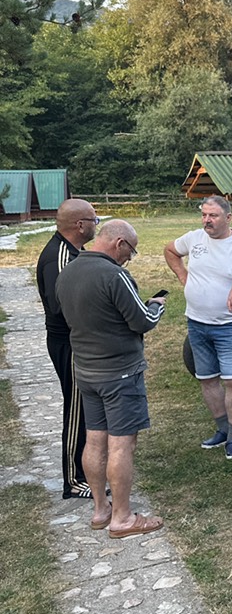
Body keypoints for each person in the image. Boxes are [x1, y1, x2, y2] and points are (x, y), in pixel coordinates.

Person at [55, 219, 166, 538]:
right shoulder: (114, 275)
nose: (130, 257)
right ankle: (123, 518)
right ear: (119, 243)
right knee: (122, 444)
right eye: (131, 251)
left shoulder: (68, 271)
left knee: (95, 439)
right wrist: (156, 306)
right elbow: (142, 321)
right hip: (120, 373)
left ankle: (100, 509)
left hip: (86, 370)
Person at [163, 196, 232, 461]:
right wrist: (183, 275)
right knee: (207, 378)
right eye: (204, 215)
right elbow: (170, 250)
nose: (207, 220)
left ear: (228, 218)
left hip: (229, 326)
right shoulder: (194, 238)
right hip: (197, 323)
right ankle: (221, 429)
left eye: (213, 216)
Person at [36, 198, 100, 499]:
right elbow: (60, 305)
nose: (96, 225)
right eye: (94, 220)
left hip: (78, 340)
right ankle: (74, 480)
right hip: (69, 342)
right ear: (80, 225)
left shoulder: (74, 252)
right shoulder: (59, 257)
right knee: (76, 408)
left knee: (85, 407)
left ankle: (88, 468)